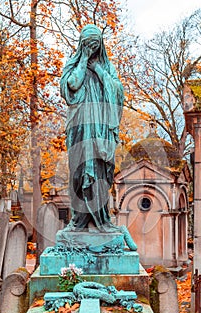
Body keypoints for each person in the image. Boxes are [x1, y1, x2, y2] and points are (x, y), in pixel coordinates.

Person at [60, 24, 124, 232]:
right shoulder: (73, 64)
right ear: (82, 44)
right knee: (78, 172)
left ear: (101, 45)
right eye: (88, 44)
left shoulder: (107, 68)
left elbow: (117, 90)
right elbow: (72, 84)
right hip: (79, 128)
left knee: (99, 173)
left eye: (95, 44)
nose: (92, 47)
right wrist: (84, 60)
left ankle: (101, 220)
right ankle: (78, 221)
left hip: (101, 131)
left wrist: (98, 69)